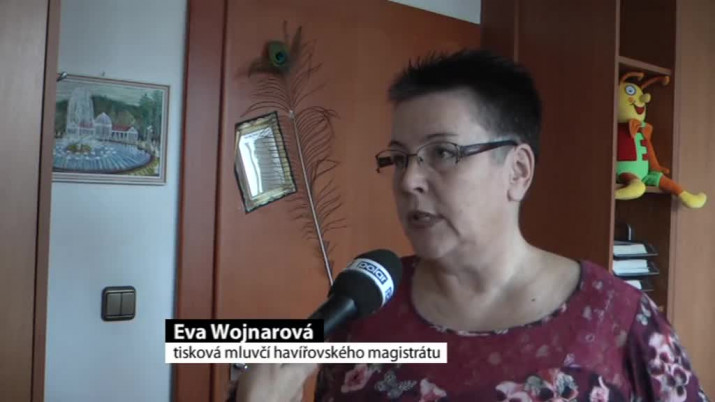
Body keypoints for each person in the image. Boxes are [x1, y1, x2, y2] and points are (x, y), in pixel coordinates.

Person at [233, 50, 709, 401]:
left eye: (443, 152)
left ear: (518, 171)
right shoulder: (363, 313)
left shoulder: (620, 320)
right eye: (398, 158)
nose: (409, 180)